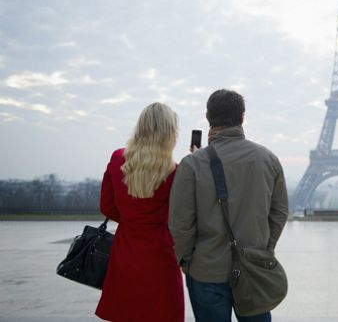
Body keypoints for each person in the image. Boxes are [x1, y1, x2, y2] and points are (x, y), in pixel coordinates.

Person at [169, 89, 289, 322]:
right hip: (255, 267)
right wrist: (265, 247)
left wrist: (186, 260)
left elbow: (180, 223)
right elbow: (280, 212)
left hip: (206, 270)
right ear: (242, 117)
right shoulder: (268, 159)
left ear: (208, 118)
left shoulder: (192, 164)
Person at [96, 102, 185, 322]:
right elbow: (182, 217)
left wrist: (131, 220)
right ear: (170, 133)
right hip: (162, 255)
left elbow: (106, 206)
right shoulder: (176, 171)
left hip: (125, 252)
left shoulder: (118, 159)